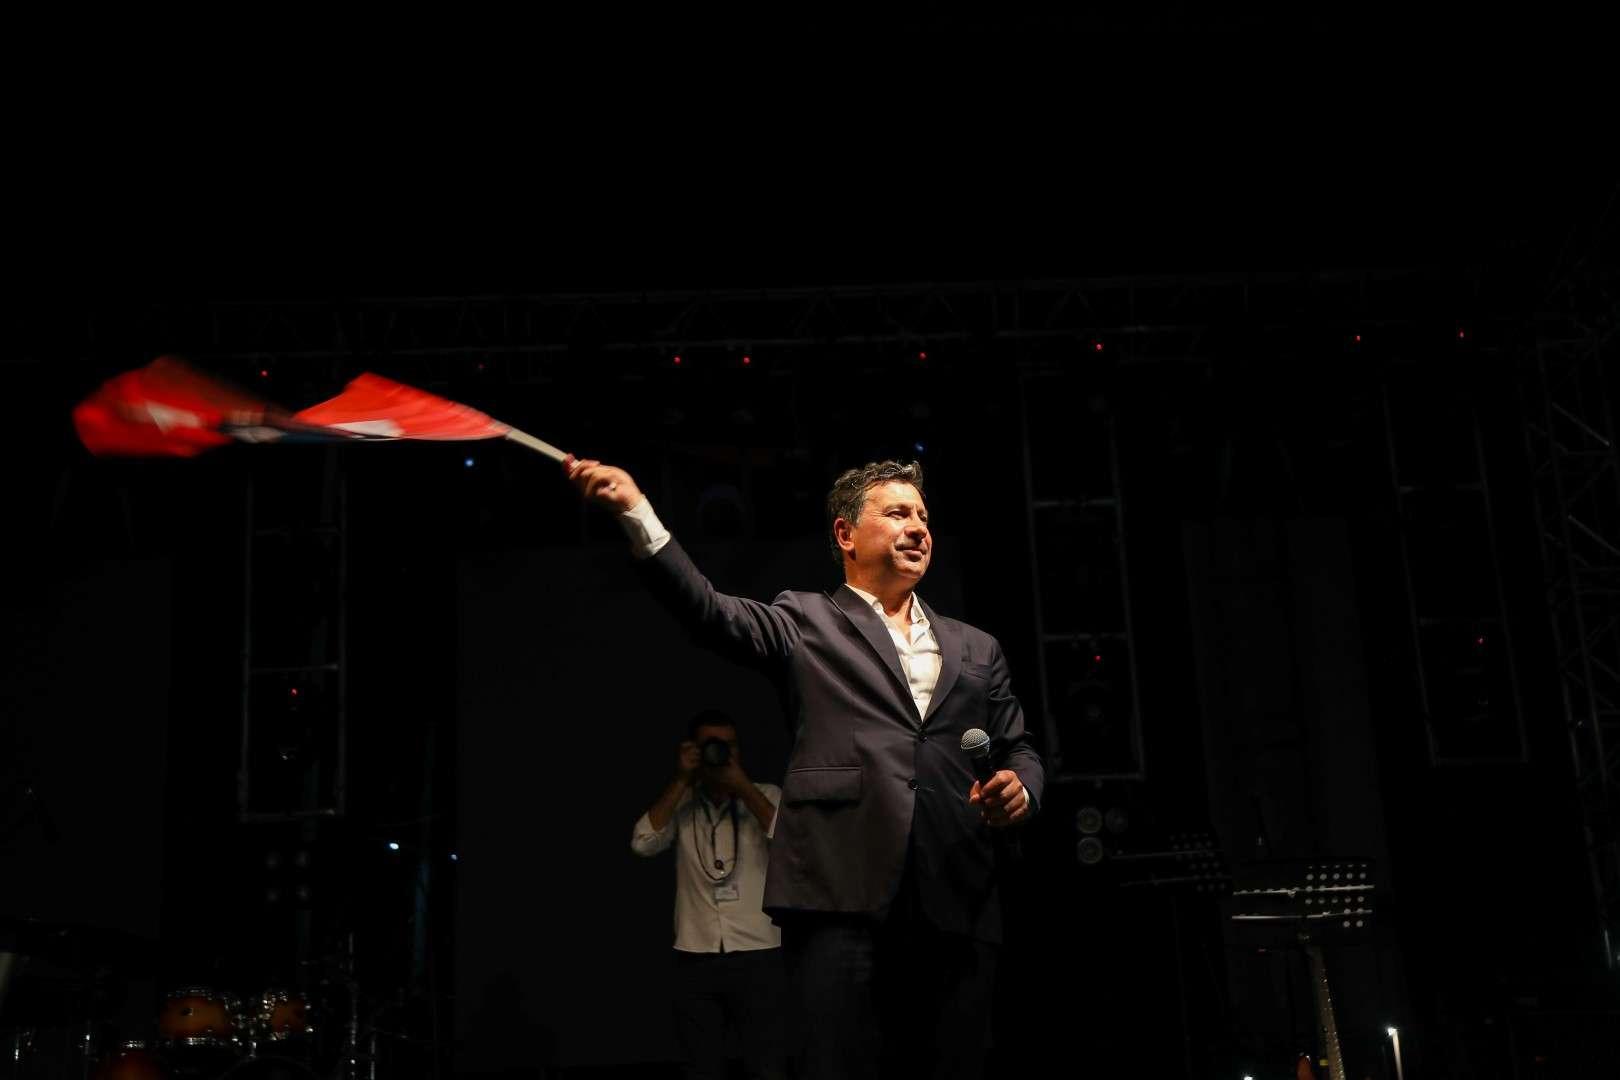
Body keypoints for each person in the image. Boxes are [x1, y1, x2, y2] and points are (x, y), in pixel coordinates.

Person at [565, 456, 1044, 1080]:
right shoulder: (805, 620)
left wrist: (1021, 788)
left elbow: (1019, 748)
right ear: (846, 534)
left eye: (924, 517)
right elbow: (709, 610)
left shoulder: (977, 646)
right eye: (897, 513)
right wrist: (637, 511)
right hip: (841, 895)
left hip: (956, 895)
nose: (918, 527)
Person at [630, 709, 788, 1080]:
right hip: (695, 954)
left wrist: (742, 786)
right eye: (710, 746)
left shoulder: (766, 795)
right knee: (701, 1066)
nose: (720, 753)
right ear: (693, 750)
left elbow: (792, 844)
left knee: (767, 1064)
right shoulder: (682, 802)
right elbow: (642, 843)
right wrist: (681, 778)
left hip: (759, 954)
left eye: (728, 745)